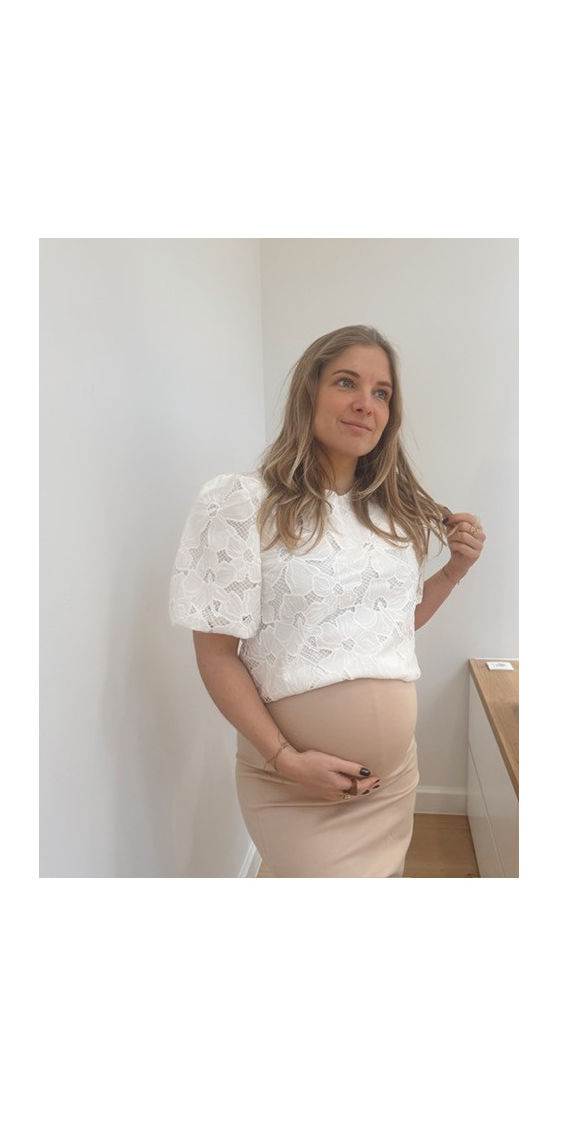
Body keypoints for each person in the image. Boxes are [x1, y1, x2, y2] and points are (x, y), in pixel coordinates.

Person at [168, 325, 486, 877]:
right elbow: (216, 655)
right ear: (308, 392)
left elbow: (390, 628)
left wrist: (454, 572)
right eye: (346, 383)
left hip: (391, 781)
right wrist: (284, 759)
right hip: (293, 785)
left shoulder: (390, 517)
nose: (366, 404)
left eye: (382, 393)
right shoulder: (242, 502)